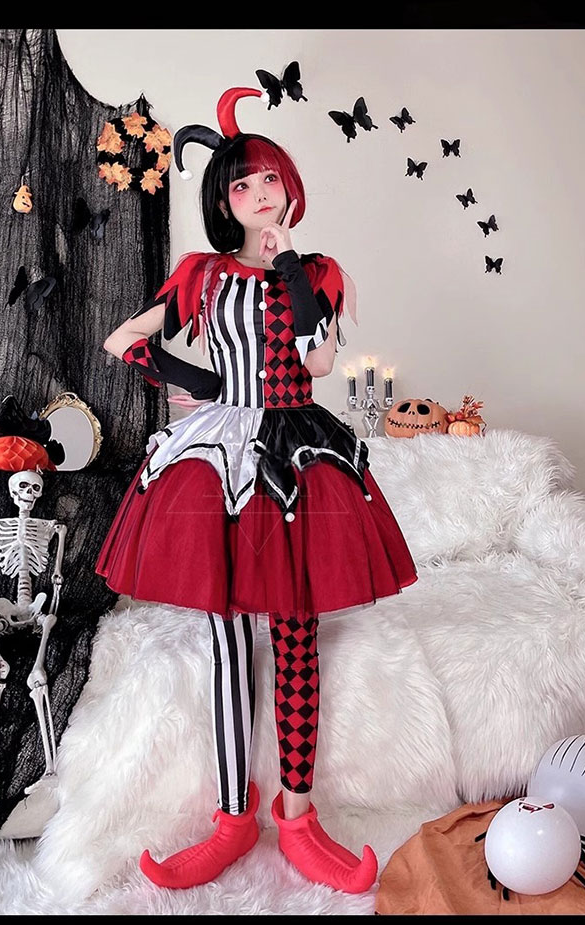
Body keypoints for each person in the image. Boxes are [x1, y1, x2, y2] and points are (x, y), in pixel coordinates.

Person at [96, 86, 418, 894]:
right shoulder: (201, 275)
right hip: (223, 447)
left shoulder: (317, 272)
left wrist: (287, 266)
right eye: (242, 183)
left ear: (288, 184)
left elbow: (317, 361)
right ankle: (232, 817)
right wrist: (204, 383)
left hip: (296, 444)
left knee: (297, 623)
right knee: (227, 631)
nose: (259, 192)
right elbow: (123, 338)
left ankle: (299, 817)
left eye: (269, 177)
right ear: (223, 200)